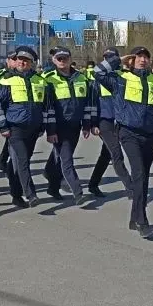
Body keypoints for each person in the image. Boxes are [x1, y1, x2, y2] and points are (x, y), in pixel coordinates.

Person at [92, 47, 153, 239]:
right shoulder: (120, 79)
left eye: (146, 57)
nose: (143, 60)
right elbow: (97, 72)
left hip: (150, 135)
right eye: (138, 56)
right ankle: (142, 221)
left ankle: (134, 218)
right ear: (132, 60)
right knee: (138, 173)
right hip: (128, 132)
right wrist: (119, 59)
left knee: (144, 176)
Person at [0, 46, 53, 208]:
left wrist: (43, 126)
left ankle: (15, 194)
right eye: (20, 59)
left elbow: (46, 107)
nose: (22, 62)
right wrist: (2, 127)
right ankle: (30, 194)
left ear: (32, 63)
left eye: (26, 60)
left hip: (33, 129)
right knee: (22, 161)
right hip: (15, 128)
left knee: (20, 162)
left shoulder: (40, 81)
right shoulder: (6, 80)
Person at [42, 48, 94, 203]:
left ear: (70, 59)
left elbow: (86, 104)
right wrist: (50, 130)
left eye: (65, 58)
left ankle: (52, 184)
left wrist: (86, 125)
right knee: (66, 159)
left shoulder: (81, 78)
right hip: (58, 126)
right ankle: (78, 191)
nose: (62, 61)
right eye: (59, 58)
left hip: (75, 125)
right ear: (54, 60)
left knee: (60, 157)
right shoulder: (48, 79)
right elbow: (48, 107)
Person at [87, 49, 131, 196]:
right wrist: (93, 124)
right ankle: (131, 188)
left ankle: (93, 184)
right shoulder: (97, 77)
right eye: (106, 58)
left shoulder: (121, 76)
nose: (109, 61)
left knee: (106, 155)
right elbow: (92, 102)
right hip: (103, 121)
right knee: (116, 153)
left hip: (119, 120)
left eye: (112, 58)